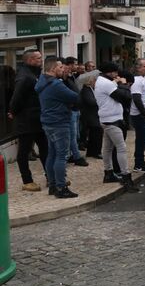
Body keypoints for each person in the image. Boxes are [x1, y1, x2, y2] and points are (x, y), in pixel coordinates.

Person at [35, 57, 80, 198]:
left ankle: (53, 185)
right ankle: (61, 188)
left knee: (52, 154)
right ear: (53, 68)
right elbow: (75, 96)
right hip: (59, 122)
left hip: (48, 122)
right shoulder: (56, 84)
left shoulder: (42, 81)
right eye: (61, 67)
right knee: (61, 156)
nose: (63, 69)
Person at [94, 62, 138, 192]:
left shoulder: (102, 81)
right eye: (115, 72)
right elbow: (125, 97)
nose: (117, 74)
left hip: (107, 118)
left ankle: (108, 173)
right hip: (112, 119)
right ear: (110, 72)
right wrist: (124, 84)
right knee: (121, 148)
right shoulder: (106, 83)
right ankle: (126, 176)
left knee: (107, 148)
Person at [8, 50, 48, 192]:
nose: (41, 60)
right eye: (38, 58)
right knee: (24, 151)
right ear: (30, 60)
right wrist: (13, 111)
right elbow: (17, 97)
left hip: (38, 119)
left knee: (45, 149)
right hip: (26, 121)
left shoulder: (34, 74)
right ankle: (27, 181)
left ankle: (51, 176)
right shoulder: (24, 76)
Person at [130, 58, 145, 173]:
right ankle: (138, 164)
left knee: (144, 140)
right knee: (142, 140)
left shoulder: (144, 78)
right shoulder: (136, 80)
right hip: (140, 115)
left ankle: (141, 162)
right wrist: (144, 112)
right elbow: (136, 98)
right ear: (138, 68)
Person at [77, 70, 102, 159]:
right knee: (96, 132)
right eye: (94, 80)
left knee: (94, 133)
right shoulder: (86, 90)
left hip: (93, 114)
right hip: (90, 115)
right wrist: (100, 100)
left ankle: (92, 152)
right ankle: (95, 152)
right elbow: (91, 101)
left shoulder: (91, 89)